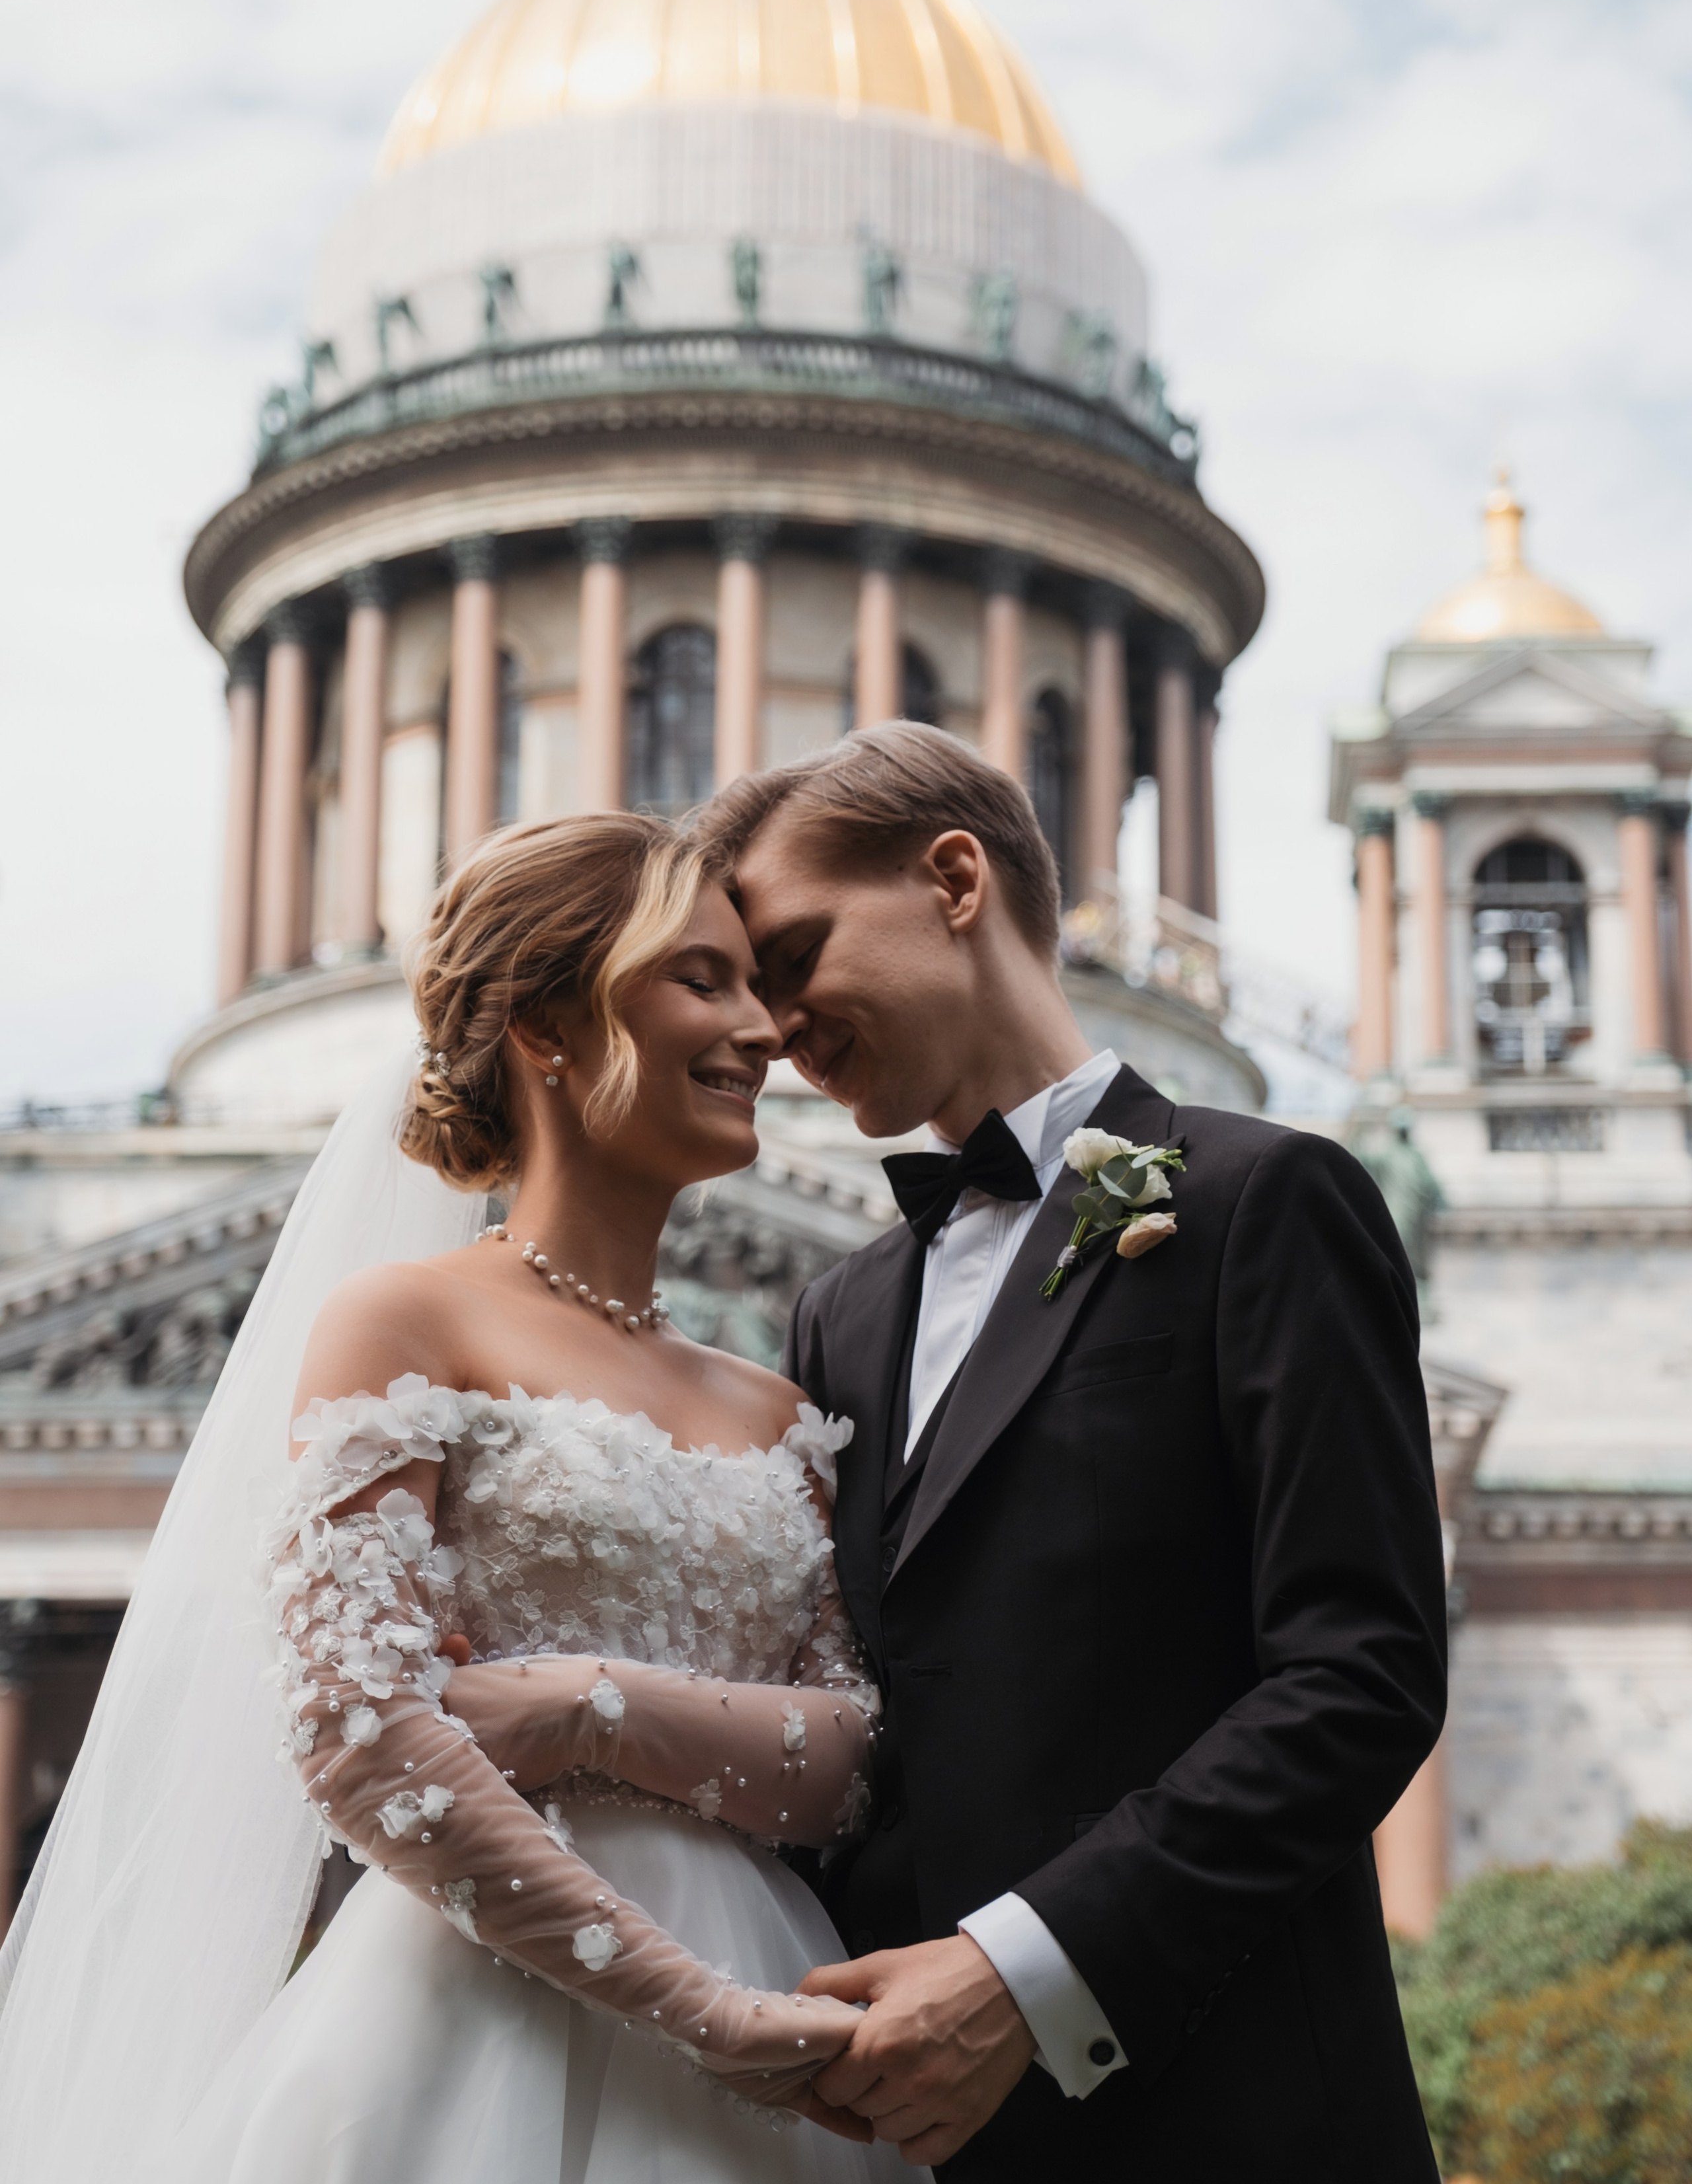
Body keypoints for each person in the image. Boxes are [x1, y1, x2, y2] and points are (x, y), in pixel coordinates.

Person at [0, 815, 909, 2184]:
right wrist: (709, 2014)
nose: (765, 1031)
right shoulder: (401, 1321)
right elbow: (361, 1740)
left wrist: (573, 1704)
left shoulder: (779, 1406)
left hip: (778, 2023)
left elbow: (848, 1762)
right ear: (547, 1022)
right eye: (701, 980)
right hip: (483, 2034)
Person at [694, 724, 1448, 2181]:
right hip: (904, 2135)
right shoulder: (836, 1310)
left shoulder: (1263, 1200)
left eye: (791, 952)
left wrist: (1019, 1974)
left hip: (1231, 2116)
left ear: (954, 879)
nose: (772, 1023)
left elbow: (1358, 1672)